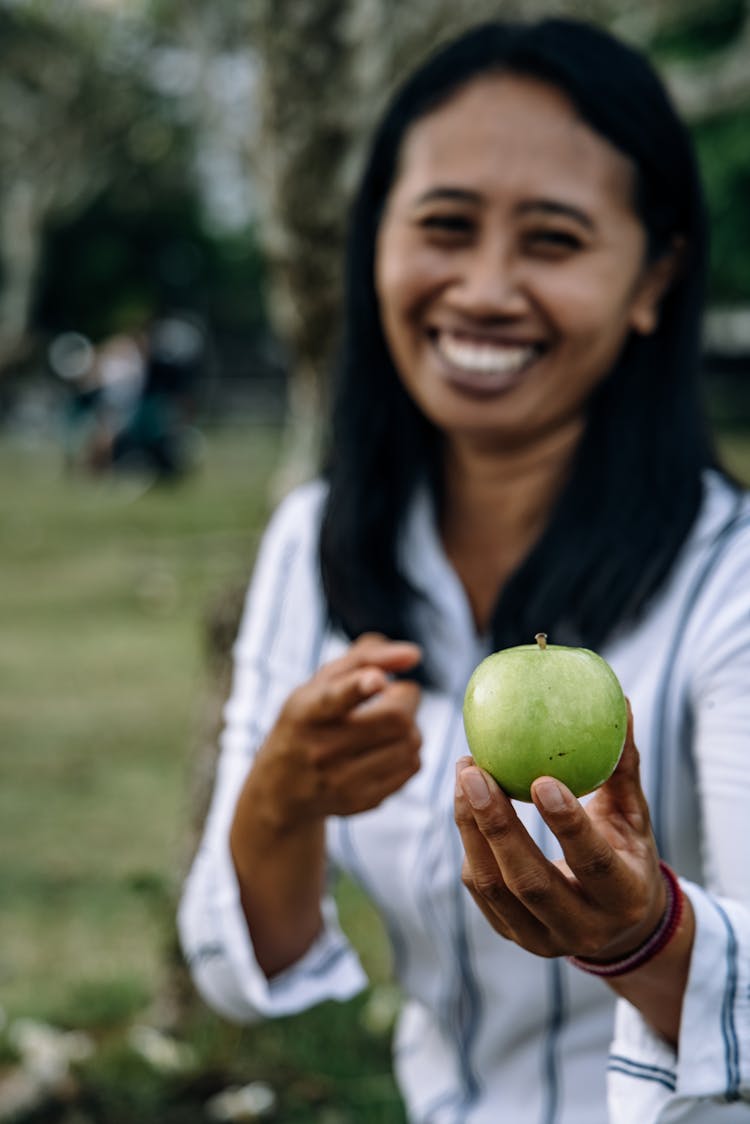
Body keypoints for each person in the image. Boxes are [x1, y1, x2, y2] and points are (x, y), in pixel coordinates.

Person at [178, 17, 750, 1123]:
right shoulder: (317, 537)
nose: (486, 289)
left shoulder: (731, 579)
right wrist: (284, 797)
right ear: (375, 246)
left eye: (553, 239)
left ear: (655, 278)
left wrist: (645, 936)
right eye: (444, 224)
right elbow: (247, 955)